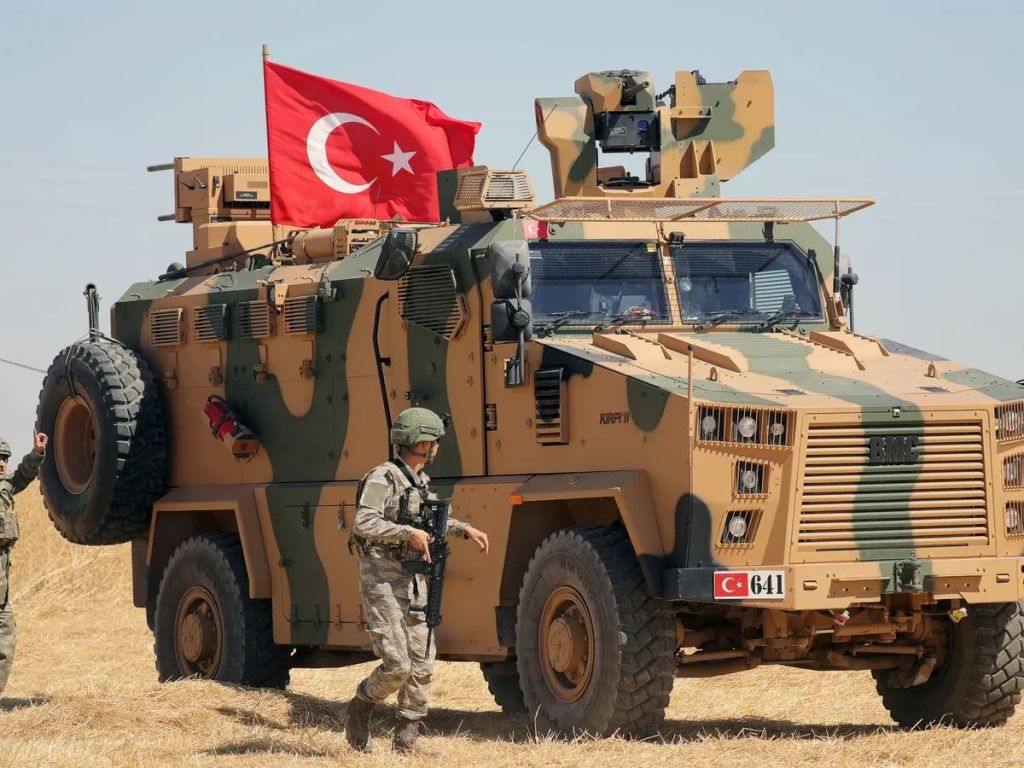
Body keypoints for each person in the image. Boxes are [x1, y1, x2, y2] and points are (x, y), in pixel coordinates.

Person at [345, 408, 489, 754]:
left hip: (414, 580)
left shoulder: (419, 481)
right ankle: (360, 706)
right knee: (398, 665)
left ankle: (406, 738)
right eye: (434, 441)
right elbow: (364, 522)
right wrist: (406, 533)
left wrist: (464, 528)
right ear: (422, 443)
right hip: (382, 580)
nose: (436, 447)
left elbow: (429, 522)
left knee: (423, 662)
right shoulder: (382, 477)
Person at [0, 432, 48, 697]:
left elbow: (22, 475)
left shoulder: (5, 487)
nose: (1, 463)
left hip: (2, 590)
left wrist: (37, 452)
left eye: (4, 459)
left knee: (6, 638)